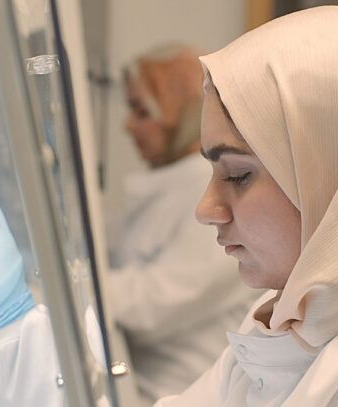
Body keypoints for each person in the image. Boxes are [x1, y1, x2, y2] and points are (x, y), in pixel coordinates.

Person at [0, 5, 338, 406]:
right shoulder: (293, 322)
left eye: (239, 175)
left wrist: (26, 294)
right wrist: (10, 326)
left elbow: (152, 301)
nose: (207, 209)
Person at [105, 45, 258, 405]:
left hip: (182, 388)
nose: (127, 126)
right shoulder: (169, 184)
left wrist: (61, 289)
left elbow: (154, 304)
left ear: (185, 115)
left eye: (142, 112)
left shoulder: (217, 194)